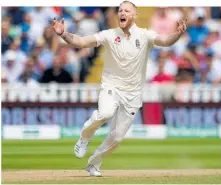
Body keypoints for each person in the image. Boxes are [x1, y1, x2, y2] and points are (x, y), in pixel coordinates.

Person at [52, 1, 188, 177]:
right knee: (105, 113)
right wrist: (64, 34)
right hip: (111, 86)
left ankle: (93, 164)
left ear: (135, 15)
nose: (122, 13)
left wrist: (177, 34)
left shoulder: (145, 35)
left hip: (133, 94)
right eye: (120, 10)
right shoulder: (109, 34)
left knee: (116, 138)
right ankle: (85, 137)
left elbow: (165, 40)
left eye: (126, 10)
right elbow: (83, 42)